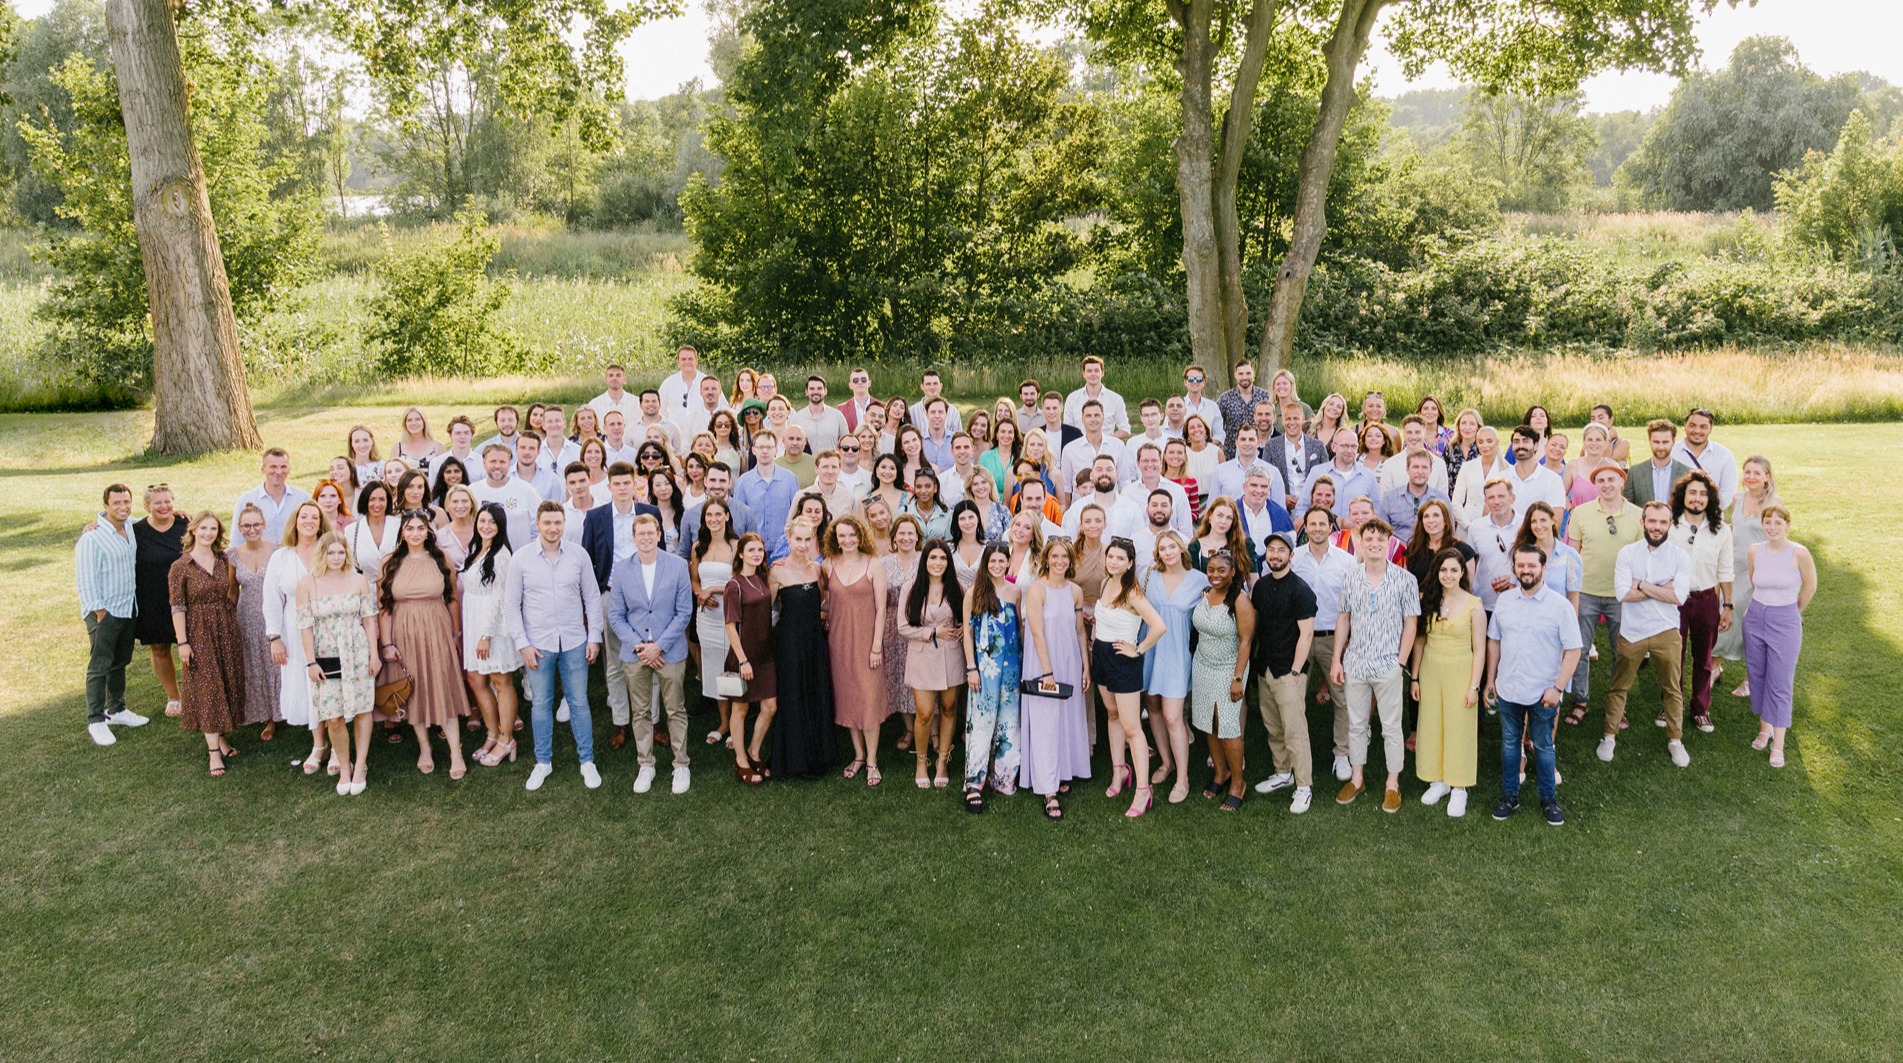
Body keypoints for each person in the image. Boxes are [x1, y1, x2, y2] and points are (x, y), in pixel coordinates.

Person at [504, 502, 604, 792]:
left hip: (574, 640)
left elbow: (593, 598)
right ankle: (543, 762)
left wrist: (594, 636)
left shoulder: (578, 555)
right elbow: (511, 605)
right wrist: (522, 644)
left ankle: (587, 760)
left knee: (579, 703)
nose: (552, 528)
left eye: (557, 523)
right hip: (538, 645)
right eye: (547, 523)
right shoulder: (521, 559)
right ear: (537, 523)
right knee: (541, 704)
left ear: (564, 523)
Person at [1486, 544, 1584, 827]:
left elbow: (1573, 650)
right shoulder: (1504, 601)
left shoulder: (1560, 606)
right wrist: (1490, 680)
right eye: (1521, 565)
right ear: (1514, 568)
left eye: (1532, 565)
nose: (1526, 570)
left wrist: (1558, 688)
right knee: (1509, 744)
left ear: (1543, 568)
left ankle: (1548, 799)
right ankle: (1509, 796)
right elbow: (1494, 640)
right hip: (1508, 688)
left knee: (1543, 746)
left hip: (1543, 692)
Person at [1330, 518, 1420, 813]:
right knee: (1356, 724)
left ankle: (1392, 784)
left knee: (1391, 727)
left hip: (1388, 665)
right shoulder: (1350, 577)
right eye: (1369, 538)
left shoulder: (1405, 579)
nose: (1374, 544)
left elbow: (1411, 624)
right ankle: (1357, 779)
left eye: (1380, 539)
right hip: (1355, 661)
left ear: (1389, 543)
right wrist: (1337, 659)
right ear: (1360, 541)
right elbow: (1343, 618)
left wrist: (1400, 663)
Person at [1596, 501, 1694, 766]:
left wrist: (1641, 584)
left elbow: (1679, 597)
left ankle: (1675, 740)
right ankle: (1609, 736)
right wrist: (1661, 588)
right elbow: (1622, 593)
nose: (1657, 527)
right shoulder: (1628, 554)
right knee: (1619, 685)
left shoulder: (1680, 557)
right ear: (1643, 522)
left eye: (1663, 522)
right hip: (1633, 631)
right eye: (1652, 521)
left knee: (1672, 688)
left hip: (1667, 630)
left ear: (1670, 525)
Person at [608, 514, 695, 795]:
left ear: (659, 535)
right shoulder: (621, 570)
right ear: (633, 537)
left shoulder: (678, 566)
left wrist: (659, 645)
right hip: (636, 654)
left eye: (651, 532)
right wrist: (641, 647)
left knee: (675, 709)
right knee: (641, 711)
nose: (646, 537)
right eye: (640, 533)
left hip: (670, 651)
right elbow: (616, 616)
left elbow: (684, 612)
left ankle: (681, 764)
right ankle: (646, 764)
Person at [378, 511, 467, 779]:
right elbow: (383, 606)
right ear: (402, 532)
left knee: (443, 684)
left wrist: (455, 633)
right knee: (413, 689)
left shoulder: (441, 558)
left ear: (428, 531)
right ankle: (424, 747)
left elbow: (451, 598)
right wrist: (387, 643)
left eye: (420, 528)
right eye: (410, 528)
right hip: (404, 631)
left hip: (436, 628)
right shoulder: (390, 562)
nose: (415, 533)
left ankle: (455, 751)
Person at [296, 531, 379, 795]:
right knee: (334, 716)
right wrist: (310, 662)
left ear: (347, 554)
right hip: (325, 653)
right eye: (330, 552)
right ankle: (344, 766)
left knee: (363, 710)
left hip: (357, 651)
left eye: (340, 552)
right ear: (322, 553)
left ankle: (361, 765)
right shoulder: (307, 583)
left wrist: (374, 655)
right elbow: (305, 626)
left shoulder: (358, 580)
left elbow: (368, 619)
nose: (336, 557)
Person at [1408, 547, 1485, 818]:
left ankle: (1459, 787)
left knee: (1458, 726)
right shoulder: (1427, 600)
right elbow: (1419, 641)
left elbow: (1480, 649)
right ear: (1436, 573)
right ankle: (1437, 780)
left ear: (1462, 572)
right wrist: (1415, 677)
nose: (1448, 575)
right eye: (1443, 570)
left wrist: (1474, 686)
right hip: (1431, 670)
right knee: (1431, 724)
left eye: (1454, 570)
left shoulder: (1475, 606)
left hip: (1461, 671)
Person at [169, 511, 247, 777]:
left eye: (213, 529)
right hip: (198, 631)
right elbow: (177, 606)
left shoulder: (224, 559)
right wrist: (183, 643)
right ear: (193, 530)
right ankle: (213, 753)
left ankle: (220, 737)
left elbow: (234, 589)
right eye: (203, 528)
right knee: (208, 687)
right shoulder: (181, 566)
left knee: (224, 682)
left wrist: (229, 610)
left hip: (225, 627)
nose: (208, 533)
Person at [1020, 536, 1092, 820]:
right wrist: (1047, 672)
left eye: (1065, 557)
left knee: (1065, 717)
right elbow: (1037, 632)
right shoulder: (1037, 590)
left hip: (1070, 659)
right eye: (1055, 556)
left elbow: (1080, 631)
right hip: (1043, 662)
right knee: (1046, 721)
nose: (1060, 561)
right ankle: (1048, 789)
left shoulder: (1075, 591)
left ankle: (1062, 770)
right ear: (1046, 558)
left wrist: (1085, 667)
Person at [1095, 537, 1169, 817]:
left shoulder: (1132, 592)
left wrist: (1137, 650)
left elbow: (1158, 626)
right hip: (1101, 654)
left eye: (1119, 558)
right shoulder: (1105, 584)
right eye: (1110, 556)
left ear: (1129, 564)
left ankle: (1142, 789)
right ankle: (1119, 771)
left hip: (1122, 660)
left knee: (1131, 727)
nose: (1113, 561)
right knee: (1112, 716)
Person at [1564, 464, 1640, 723]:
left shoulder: (1637, 515)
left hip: (1622, 596)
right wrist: (1571, 591)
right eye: (1601, 480)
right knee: (1580, 649)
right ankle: (1580, 701)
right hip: (1586, 591)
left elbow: (1642, 558)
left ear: (1622, 481)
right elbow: (1572, 555)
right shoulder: (1581, 513)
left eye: (1612, 479)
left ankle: (1618, 706)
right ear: (1595, 484)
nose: (1606, 484)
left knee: (1622, 652)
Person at [950, 542, 1023, 812]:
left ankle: (1003, 777)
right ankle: (974, 782)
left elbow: (1019, 629)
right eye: (992, 561)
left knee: (1009, 720)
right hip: (985, 666)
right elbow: (967, 632)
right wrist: (971, 667)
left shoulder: (1015, 591)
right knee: (981, 720)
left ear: (1007, 563)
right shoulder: (974, 593)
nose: (996, 565)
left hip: (1012, 666)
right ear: (985, 563)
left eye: (1001, 561)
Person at [1244, 534, 1314, 811]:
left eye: (1280, 550)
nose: (1275, 554)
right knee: (1274, 728)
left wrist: (1296, 671)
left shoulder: (1301, 590)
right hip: (1266, 668)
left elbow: (1306, 634)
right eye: (1270, 550)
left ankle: (1303, 786)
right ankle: (1283, 773)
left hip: (1289, 672)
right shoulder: (1260, 587)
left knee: (1295, 731)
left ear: (1290, 555)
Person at [814, 514, 885, 786]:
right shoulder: (828, 566)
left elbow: (881, 609)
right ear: (835, 537)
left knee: (868, 699)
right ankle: (857, 755)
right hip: (839, 642)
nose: (847, 540)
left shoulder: (873, 564)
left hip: (868, 641)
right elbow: (824, 602)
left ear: (861, 536)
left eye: (852, 535)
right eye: (842, 535)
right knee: (847, 698)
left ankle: (872, 761)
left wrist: (877, 645)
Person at [264, 501, 334, 773]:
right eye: (303, 516)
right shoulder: (281, 557)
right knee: (306, 685)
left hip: (329, 627)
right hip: (293, 630)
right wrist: (274, 637)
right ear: (295, 521)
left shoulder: (330, 551)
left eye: (314, 517)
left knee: (330, 683)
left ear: (320, 523)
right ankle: (318, 744)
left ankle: (338, 746)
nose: (309, 521)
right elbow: (271, 600)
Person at [1742, 505, 1813, 768]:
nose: (1772, 527)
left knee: (1780, 680)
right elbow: (1754, 580)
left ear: (1787, 525)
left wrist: (1792, 611)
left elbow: (1811, 585)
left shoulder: (1799, 553)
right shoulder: (1754, 551)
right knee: (1757, 674)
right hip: (1755, 617)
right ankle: (1764, 728)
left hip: (1785, 620)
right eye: (1768, 522)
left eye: (1778, 523)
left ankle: (1779, 743)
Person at [77, 484, 148, 745]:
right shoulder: (92, 538)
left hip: (128, 607)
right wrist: (99, 611)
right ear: (106, 505)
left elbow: (152, 520)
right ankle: (95, 720)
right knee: (100, 666)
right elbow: (85, 579)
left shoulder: (130, 526)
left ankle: (116, 710)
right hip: (104, 613)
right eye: (116, 503)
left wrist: (178, 513)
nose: (123, 507)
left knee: (120, 661)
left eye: (126, 502)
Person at [1140, 532, 1208, 804]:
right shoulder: (1148, 576)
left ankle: (1183, 778)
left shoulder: (1199, 580)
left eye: (1172, 547)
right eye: (1162, 548)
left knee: (1172, 716)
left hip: (1177, 653)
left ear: (1181, 549)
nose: (1167, 552)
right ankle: (1166, 762)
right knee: (1153, 706)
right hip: (1149, 650)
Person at [1186, 549, 1256, 811]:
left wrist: (1238, 678)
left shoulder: (1239, 600)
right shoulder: (1207, 594)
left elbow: (1246, 642)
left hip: (1229, 667)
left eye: (1221, 570)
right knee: (1208, 722)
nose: (1215, 575)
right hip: (1203, 665)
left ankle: (1238, 782)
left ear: (1233, 572)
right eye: (1211, 570)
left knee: (1227, 726)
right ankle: (1220, 773)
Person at [1292, 505, 1357, 782]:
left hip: (1334, 638)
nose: (1317, 528)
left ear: (1332, 527)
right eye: (1312, 524)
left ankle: (1341, 754)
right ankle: (1295, 756)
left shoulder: (1346, 561)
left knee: (1342, 699)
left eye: (1323, 523)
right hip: (1300, 639)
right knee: (1293, 698)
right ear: (1305, 527)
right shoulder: (1294, 559)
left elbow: (1353, 605)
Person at [770, 518, 836, 780]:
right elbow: (767, 610)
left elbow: (824, 602)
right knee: (793, 694)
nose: (803, 544)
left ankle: (818, 754)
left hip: (814, 641)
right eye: (798, 539)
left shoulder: (817, 570)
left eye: (807, 539)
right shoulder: (776, 571)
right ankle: (794, 758)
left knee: (814, 690)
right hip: (789, 642)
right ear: (789, 538)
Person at [1670, 471, 1733, 733]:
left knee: (1703, 658)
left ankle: (1700, 708)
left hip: (1706, 599)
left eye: (1703, 494)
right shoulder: (1670, 525)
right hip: (1674, 600)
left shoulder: (1721, 530)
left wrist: (1727, 606)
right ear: (1683, 495)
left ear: (1710, 499)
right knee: (1674, 656)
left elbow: (1725, 570)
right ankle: (1671, 705)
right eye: (1693, 492)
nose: (1697, 498)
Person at [901, 539, 966, 789]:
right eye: (933, 558)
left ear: (948, 562)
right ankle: (920, 762)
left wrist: (962, 628)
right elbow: (903, 627)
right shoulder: (912, 588)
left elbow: (965, 617)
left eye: (942, 558)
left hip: (951, 657)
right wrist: (932, 633)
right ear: (925, 561)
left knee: (949, 709)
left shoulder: (956, 587)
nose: (937, 563)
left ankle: (942, 762)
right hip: (922, 657)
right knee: (925, 713)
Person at [461, 504, 520, 768]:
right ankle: (492, 732)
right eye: (482, 520)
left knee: (500, 679)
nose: (486, 526)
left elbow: (499, 596)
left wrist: (486, 634)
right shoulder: (475, 550)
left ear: (500, 527)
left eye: (492, 522)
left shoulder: (502, 555)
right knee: (475, 678)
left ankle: (507, 738)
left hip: (492, 625)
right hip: (473, 618)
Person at [1714, 455, 1779, 693]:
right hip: (1733, 568)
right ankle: (1714, 667)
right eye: (1747, 472)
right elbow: (1735, 529)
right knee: (1724, 614)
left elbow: (1778, 537)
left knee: (1751, 623)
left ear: (1766, 477)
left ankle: (1752, 678)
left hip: (1758, 571)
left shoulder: (1774, 503)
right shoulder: (1737, 499)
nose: (1751, 477)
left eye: (1756, 473)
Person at [127, 484, 186, 718]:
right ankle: (174, 697)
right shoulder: (136, 530)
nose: (163, 506)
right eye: (157, 503)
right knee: (160, 648)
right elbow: (109, 524)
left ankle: (196, 693)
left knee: (192, 645)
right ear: (147, 506)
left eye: (167, 501)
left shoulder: (185, 525)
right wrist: (92, 525)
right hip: (152, 598)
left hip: (184, 597)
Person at [722, 533, 777, 783]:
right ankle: (740, 760)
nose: (757, 554)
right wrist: (743, 660)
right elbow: (731, 627)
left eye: (760, 550)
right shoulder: (734, 585)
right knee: (741, 708)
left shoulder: (763, 579)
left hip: (765, 655)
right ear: (741, 554)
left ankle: (754, 751)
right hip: (743, 656)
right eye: (751, 550)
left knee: (770, 706)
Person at [229, 504, 282, 737]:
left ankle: (284, 709)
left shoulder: (278, 550)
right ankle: (267, 716)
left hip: (274, 614)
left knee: (277, 663)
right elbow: (232, 591)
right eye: (247, 526)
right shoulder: (233, 555)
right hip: (247, 617)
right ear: (240, 528)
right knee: (255, 664)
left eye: (256, 525)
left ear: (264, 525)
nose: (252, 529)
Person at [880, 515, 924, 747]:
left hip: (921, 626)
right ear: (894, 537)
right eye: (902, 533)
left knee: (924, 679)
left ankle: (931, 729)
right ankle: (909, 729)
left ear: (917, 536)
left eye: (911, 533)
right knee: (899, 678)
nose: (906, 537)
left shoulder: (926, 560)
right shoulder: (884, 563)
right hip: (892, 627)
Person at [734, 430, 799, 558]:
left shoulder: (789, 479)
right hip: (753, 552)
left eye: (769, 447)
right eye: (760, 447)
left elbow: (796, 515)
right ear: (753, 450)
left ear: (776, 450)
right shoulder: (743, 482)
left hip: (784, 551)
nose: (765, 451)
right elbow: (738, 520)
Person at [1465, 479, 1523, 613]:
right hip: (1483, 604)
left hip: (1516, 603)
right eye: (1491, 497)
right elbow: (1470, 563)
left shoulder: (1525, 525)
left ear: (1512, 498)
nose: (1496, 502)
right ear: (1485, 501)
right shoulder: (1476, 527)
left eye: (1501, 496)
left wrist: (1513, 579)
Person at [234, 448, 312, 542]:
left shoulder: (302, 499)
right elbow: (237, 538)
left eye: (283, 467)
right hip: (260, 556)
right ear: (263, 469)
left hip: (293, 554)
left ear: (289, 469)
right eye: (273, 467)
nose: (279, 472)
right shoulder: (246, 500)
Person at [1059, 400, 1129, 501]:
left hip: (1111, 506)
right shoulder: (1070, 449)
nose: (1093, 419)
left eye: (1096, 415)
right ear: (1082, 419)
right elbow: (1066, 487)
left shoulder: (1118, 446)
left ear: (1103, 418)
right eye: (1088, 416)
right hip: (1080, 508)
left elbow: (1125, 482)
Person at [1379, 449, 1451, 544]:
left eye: (1424, 467)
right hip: (1399, 554)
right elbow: (1382, 533)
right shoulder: (1390, 498)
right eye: (1415, 467)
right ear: (1407, 469)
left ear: (1431, 470)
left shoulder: (1442, 499)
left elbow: (1450, 532)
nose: (1420, 472)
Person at [1265, 403, 1327, 513]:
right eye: (1288, 419)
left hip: (1313, 508)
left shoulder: (1317, 446)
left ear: (1303, 419)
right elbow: (1266, 478)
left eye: (1296, 418)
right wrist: (1282, 497)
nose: (1292, 422)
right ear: (1283, 420)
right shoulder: (1271, 446)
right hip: (1282, 509)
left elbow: (1327, 477)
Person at [1305, 427, 1377, 521]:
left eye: (1353, 446)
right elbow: (1303, 506)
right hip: (1323, 533)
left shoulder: (1368, 476)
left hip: (1355, 533)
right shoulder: (1317, 472)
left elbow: (1376, 511)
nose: (1349, 451)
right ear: (1333, 447)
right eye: (1344, 446)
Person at [1673, 408, 1738, 510]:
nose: (1697, 431)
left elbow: (1727, 495)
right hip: (1677, 516)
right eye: (1692, 425)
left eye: (1703, 427)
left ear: (1711, 429)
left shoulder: (1724, 455)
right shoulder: (1671, 451)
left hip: (1710, 518)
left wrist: (1701, 510)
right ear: (1684, 426)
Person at [1405, 499, 1476, 591]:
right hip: (1419, 603)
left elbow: (1468, 588)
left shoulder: (1464, 551)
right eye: (1426, 516)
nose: (1430, 520)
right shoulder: (1413, 549)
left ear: (1445, 520)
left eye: (1436, 515)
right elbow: (1407, 584)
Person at [1450, 427, 1509, 527]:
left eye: (1489, 441)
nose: (1485, 446)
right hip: (1467, 525)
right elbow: (1456, 502)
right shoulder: (1467, 467)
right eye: (1480, 442)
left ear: (1497, 442)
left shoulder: (1507, 469)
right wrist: (1468, 526)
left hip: (1496, 525)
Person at [1626, 419, 1691, 508]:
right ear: (1649, 441)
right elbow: (1628, 507)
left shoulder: (1687, 473)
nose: (1661, 447)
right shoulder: (1634, 472)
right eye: (1656, 442)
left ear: (1673, 441)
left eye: (1665, 442)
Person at [1216, 361, 1272, 456]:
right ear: (1235, 375)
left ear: (1253, 374)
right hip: (1231, 454)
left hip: (1261, 453)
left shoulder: (1265, 396)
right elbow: (1217, 427)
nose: (1245, 377)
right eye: (1241, 374)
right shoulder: (1225, 399)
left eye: (1248, 373)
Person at [658, 346, 715, 423]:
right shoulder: (668, 383)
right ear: (678, 361)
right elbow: (659, 409)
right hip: (675, 433)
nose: (687, 362)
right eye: (683, 359)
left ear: (696, 360)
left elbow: (722, 408)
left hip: (702, 431)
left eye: (690, 359)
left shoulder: (709, 382)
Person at [392, 407, 444, 475]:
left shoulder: (438, 447)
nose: (414, 423)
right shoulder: (397, 448)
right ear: (405, 424)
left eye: (417, 419)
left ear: (424, 422)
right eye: (409, 420)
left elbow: (445, 473)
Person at [1180, 364, 1225, 443]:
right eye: (1190, 379)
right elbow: (1168, 431)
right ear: (1185, 382)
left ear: (1204, 382)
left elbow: (1219, 433)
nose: (1194, 382)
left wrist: (1206, 447)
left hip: (1208, 452)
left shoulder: (1212, 406)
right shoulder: (1177, 405)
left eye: (1199, 379)